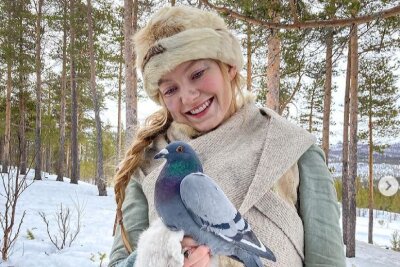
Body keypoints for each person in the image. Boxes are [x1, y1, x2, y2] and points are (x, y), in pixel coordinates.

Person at [109, 5, 346, 267]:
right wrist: (157, 257)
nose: (187, 97)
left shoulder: (291, 148)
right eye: (170, 89)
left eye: (198, 73)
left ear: (229, 66)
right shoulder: (148, 163)